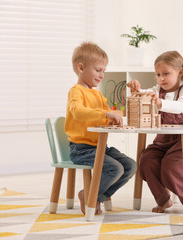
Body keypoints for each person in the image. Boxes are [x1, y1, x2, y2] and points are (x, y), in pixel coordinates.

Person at [126, 50, 183, 216]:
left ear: (180, 72)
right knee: (146, 160)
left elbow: (180, 107)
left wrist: (160, 103)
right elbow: (146, 94)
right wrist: (136, 90)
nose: (161, 79)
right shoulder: (157, 90)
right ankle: (163, 199)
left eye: (166, 74)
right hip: (163, 141)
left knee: (170, 167)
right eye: (158, 74)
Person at [65, 42, 137, 215]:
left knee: (130, 166)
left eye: (104, 71)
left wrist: (112, 121)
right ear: (81, 68)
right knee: (115, 168)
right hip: (81, 149)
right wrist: (106, 115)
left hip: (100, 148)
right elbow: (79, 113)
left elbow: (103, 118)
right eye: (98, 70)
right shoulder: (76, 91)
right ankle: (91, 196)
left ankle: (93, 196)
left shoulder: (97, 94)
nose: (102, 75)